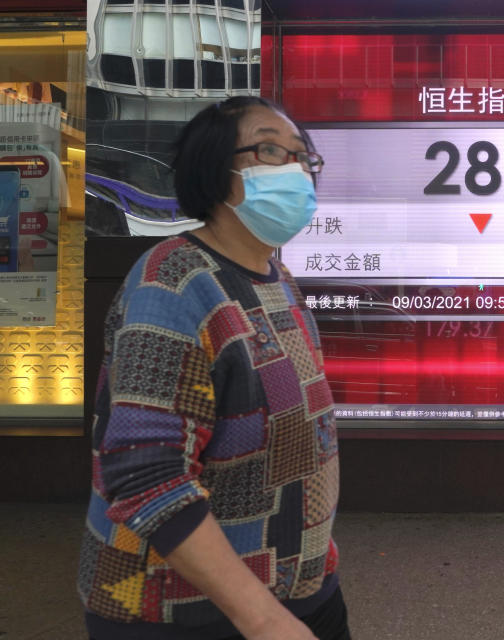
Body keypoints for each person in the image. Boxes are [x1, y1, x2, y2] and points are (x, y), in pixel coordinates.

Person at [77, 97, 350, 640]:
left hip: (299, 589)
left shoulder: (275, 276)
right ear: (216, 170)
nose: (294, 170)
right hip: (189, 613)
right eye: (271, 149)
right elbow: (145, 474)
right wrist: (264, 619)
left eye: (303, 158)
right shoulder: (174, 282)